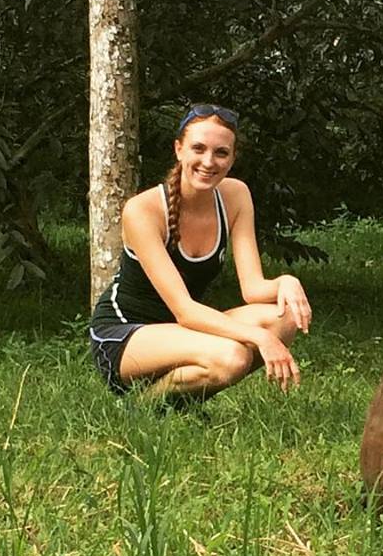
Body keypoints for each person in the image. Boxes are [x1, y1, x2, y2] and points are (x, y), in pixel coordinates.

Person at [89, 102, 311, 400]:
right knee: (232, 356)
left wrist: (286, 281)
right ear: (179, 149)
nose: (209, 161)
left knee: (282, 319)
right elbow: (185, 311)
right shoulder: (143, 210)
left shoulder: (236, 196)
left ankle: (178, 401)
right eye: (198, 148)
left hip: (182, 332)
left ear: (232, 159)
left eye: (221, 153)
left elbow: (253, 290)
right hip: (127, 336)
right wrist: (260, 338)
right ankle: (142, 408)